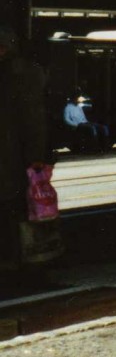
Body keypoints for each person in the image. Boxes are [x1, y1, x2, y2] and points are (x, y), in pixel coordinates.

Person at [0, 27, 48, 271]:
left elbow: (32, 121)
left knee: (13, 207)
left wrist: (37, 156)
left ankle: (14, 258)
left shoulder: (21, 75)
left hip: (12, 155)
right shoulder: (23, 73)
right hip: (14, 154)